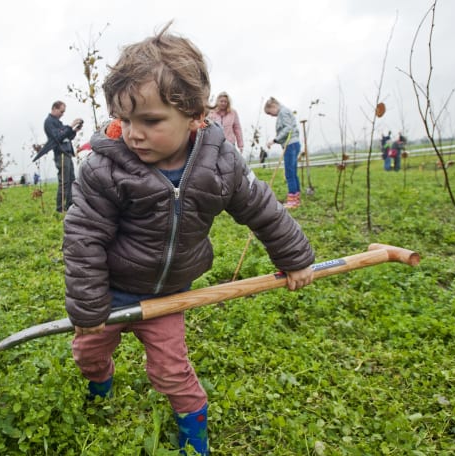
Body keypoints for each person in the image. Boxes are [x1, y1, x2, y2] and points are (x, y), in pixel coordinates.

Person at [63, 24, 315, 455]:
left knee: (171, 370)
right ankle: (99, 383)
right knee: (89, 351)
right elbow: (83, 236)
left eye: (150, 121)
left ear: (196, 116)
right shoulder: (106, 168)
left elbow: (263, 209)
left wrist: (295, 257)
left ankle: (194, 432)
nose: (134, 133)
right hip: (111, 292)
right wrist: (89, 305)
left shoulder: (219, 163)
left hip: (168, 294)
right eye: (125, 120)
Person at [37, 101, 83, 212]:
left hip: (67, 153)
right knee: (64, 182)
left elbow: (66, 136)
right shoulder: (49, 122)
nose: (62, 114)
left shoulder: (58, 122)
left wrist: (74, 130)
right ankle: (60, 209)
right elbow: (57, 136)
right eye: (61, 111)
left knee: (72, 180)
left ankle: (70, 206)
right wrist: (70, 125)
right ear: (54, 109)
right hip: (61, 154)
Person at [265, 97, 302, 209]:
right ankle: (296, 197)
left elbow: (288, 128)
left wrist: (275, 140)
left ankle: (292, 202)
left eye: (270, 113)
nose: (272, 116)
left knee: (289, 173)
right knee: (293, 172)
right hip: (293, 143)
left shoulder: (283, 112)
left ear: (273, 106)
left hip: (290, 144)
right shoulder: (284, 111)